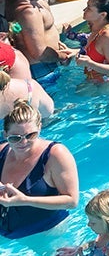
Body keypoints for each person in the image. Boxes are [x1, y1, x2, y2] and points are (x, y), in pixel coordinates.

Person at [0, 101, 78, 240]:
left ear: (40, 128)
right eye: (15, 138)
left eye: (30, 135)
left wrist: (26, 200)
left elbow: (71, 201)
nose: (23, 143)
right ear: (5, 134)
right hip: (8, 235)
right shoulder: (2, 152)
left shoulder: (55, 155)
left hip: (46, 233)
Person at [59, 186, 109, 256]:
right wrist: (80, 248)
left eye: (93, 223)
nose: (88, 225)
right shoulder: (105, 233)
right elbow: (95, 244)